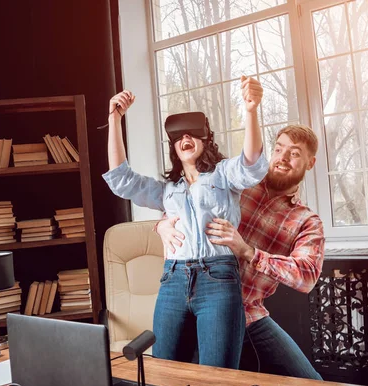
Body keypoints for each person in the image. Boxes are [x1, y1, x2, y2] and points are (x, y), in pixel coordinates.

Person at [102, 76, 268, 369]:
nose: (185, 140)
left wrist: (251, 110)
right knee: (165, 373)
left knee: (218, 376)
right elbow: (121, 180)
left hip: (217, 279)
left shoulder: (224, 176)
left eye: (191, 135)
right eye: (178, 138)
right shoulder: (167, 191)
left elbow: (251, 164)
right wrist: (114, 120)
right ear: (174, 149)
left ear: (205, 141)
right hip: (173, 280)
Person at [157, 124, 324, 379]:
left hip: (250, 314)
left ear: (310, 163)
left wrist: (248, 252)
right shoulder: (234, 181)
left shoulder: (307, 221)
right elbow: (180, 205)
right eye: (279, 149)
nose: (283, 158)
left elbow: (307, 276)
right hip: (204, 309)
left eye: (294, 153)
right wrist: (160, 226)